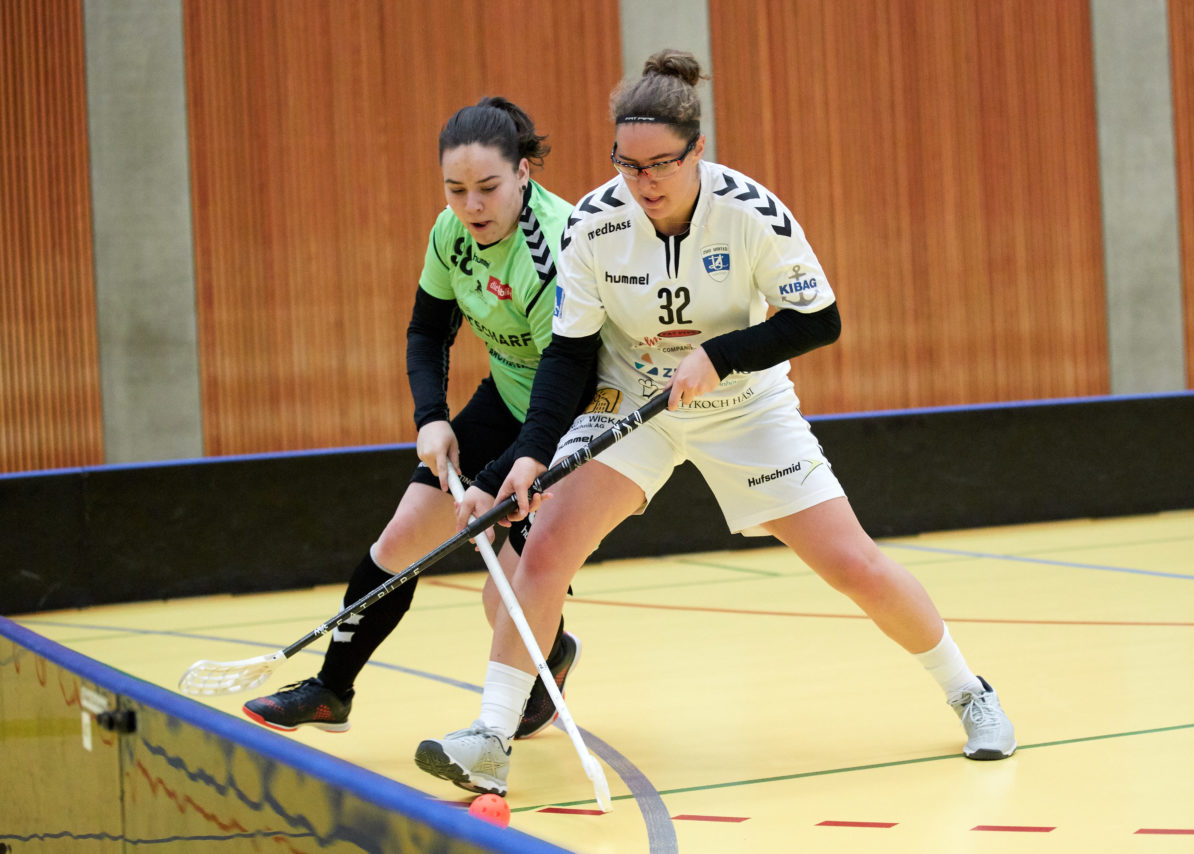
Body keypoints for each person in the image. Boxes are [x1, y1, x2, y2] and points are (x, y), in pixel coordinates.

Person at [413, 51, 1017, 798]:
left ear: (698, 150)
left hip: (744, 409)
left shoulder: (753, 213)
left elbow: (819, 320)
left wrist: (720, 356)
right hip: (632, 402)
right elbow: (567, 358)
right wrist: (532, 456)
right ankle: (491, 737)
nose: (644, 183)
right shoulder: (594, 227)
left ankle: (970, 694)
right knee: (542, 557)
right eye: (628, 165)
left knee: (853, 564)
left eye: (661, 164)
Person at [243, 97, 593, 740]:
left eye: (488, 188)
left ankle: (554, 654)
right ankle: (331, 690)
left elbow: (564, 384)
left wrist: (493, 475)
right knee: (403, 537)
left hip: (569, 422)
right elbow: (427, 331)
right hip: (508, 396)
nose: (472, 207)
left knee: (503, 600)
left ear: (524, 173)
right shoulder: (449, 233)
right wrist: (431, 417)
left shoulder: (560, 247)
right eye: (455, 190)